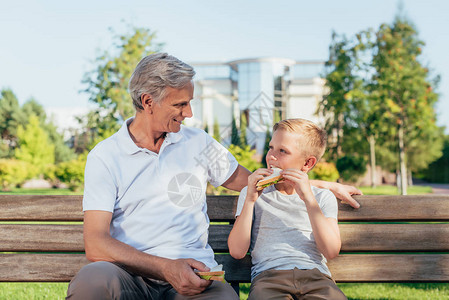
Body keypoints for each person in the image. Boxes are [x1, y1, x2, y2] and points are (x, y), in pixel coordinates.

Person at [66, 53, 360, 300]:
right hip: (129, 275)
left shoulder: (198, 143)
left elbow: (253, 180)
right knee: (93, 280)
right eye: (180, 104)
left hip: (196, 276)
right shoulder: (106, 156)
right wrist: (166, 267)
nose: (189, 113)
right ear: (147, 101)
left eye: (190, 102)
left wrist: (317, 184)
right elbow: (96, 243)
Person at [228, 118, 348, 300]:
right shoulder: (252, 193)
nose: (271, 157)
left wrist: (308, 198)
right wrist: (250, 201)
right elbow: (237, 251)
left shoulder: (322, 197)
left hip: (317, 277)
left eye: (282, 151)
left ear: (307, 164)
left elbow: (331, 251)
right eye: (270, 147)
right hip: (268, 278)